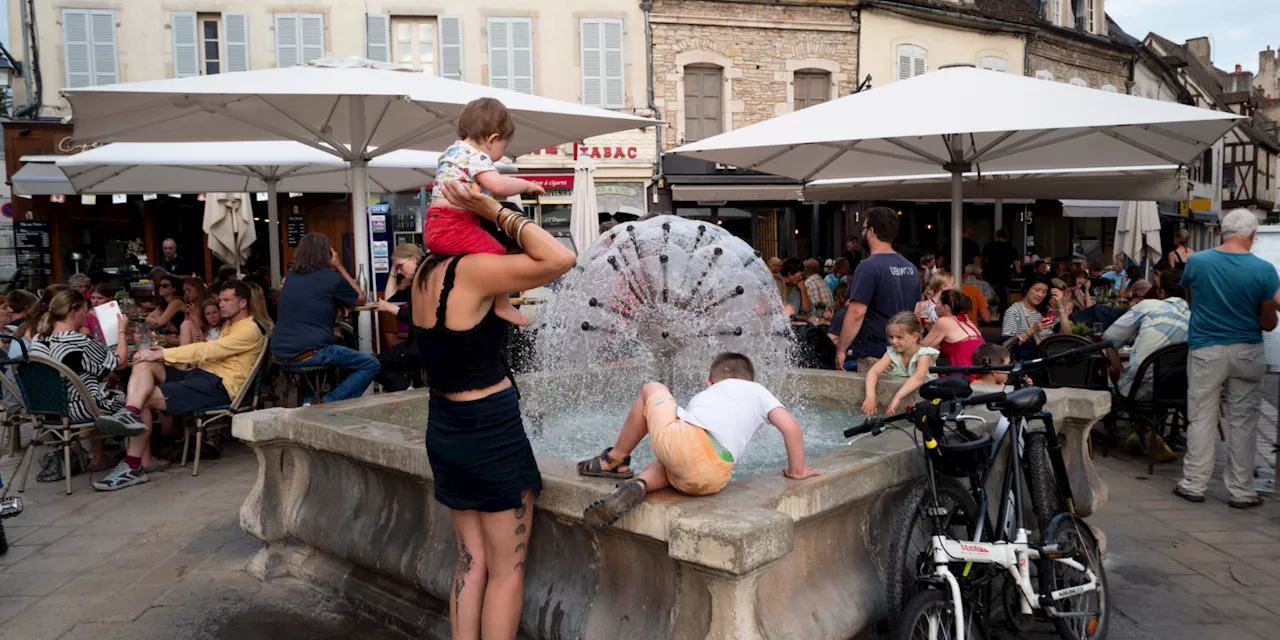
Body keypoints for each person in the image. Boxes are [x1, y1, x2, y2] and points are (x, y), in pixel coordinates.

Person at [411, 181, 574, 639]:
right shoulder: (476, 270)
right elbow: (560, 259)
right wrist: (496, 209)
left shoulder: (428, 269)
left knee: (470, 560)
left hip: (444, 425)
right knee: (507, 569)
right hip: (490, 429)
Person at [576, 352, 820, 527]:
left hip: (687, 445)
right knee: (669, 465)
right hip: (714, 476)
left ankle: (615, 460)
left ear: (709, 382)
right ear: (750, 380)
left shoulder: (707, 393)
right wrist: (797, 471)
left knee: (652, 388)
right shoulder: (758, 391)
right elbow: (792, 429)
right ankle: (640, 485)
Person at [93, 281, 267, 491]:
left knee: (145, 398)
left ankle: (133, 465)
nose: (221, 304)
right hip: (201, 376)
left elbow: (211, 350)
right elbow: (208, 350)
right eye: (220, 299)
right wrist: (159, 355)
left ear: (243, 303)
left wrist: (164, 353)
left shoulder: (249, 328)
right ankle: (130, 413)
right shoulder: (232, 325)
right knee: (144, 362)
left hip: (219, 386)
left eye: (227, 300)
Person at [1174, 209, 1280, 509]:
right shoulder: (1264, 269)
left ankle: (1193, 484)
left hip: (1207, 348)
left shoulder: (1197, 261)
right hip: (1247, 349)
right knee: (1243, 422)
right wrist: (1265, 306)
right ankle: (1242, 491)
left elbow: (1191, 299)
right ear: (1252, 236)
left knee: (1201, 417)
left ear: (1221, 232)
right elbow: (1270, 321)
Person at [424, 97, 545, 328]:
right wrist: (526, 184)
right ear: (492, 139)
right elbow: (499, 186)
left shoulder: (452, 151)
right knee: (497, 252)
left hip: (436, 224)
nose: (503, 152)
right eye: (504, 147)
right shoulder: (475, 156)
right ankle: (502, 305)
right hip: (454, 225)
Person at [29, 288, 131, 471]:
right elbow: (120, 363)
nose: (87, 313)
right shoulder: (80, 342)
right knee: (138, 399)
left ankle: (99, 458)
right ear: (72, 312)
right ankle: (141, 458)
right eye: (85, 309)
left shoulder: (38, 339)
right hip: (80, 408)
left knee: (92, 390)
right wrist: (121, 331)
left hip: (47, 408)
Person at [273, 233, 379, 403]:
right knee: (370, 364)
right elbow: (360, 298)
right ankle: (328, 403)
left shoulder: (290, 277)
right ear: (327, 254)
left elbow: (309, 298)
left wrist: (335, 303)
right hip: (311, 353)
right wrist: (339, 266)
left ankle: (308, 403)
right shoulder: (332, 279)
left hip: (280, 354)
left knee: (318, 357)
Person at [1102, 269, 1189, 462]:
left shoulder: (1149, 306)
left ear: (1160, 291)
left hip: (1138, 390)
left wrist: (1118, 367)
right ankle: (1144, 431)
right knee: (1145, 373)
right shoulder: (1196, 318)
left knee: (1112, 373)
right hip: (1176, 391)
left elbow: (1108, 340)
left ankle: (1138, 431)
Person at [834, 207, 921, 372]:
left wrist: (841, 349)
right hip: (905, 354)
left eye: (864, 228)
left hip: (876, 355)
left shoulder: (868, 267)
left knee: (876, 398)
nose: (862, 233)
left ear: (871, 231)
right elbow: (916, 312)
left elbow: (856, 313)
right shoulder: (910, 267)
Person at [861, 312, 939, 415]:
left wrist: (897, 398)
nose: (893, 341)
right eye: (891, 337)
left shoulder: (924, 354)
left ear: (915, 337)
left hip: (928, 400)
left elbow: (918, 378)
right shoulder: (893, 352)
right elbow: (873, 371)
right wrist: (870, 396)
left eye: (899, 337)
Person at [373, 244, 426, 392]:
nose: (399, 271)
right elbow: (390, 299)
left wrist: (390, 308)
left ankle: (409, 393)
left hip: (422, 344)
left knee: (375, 364)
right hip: (421, 343)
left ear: (414, 260)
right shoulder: (419, 281)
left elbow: (416, 317)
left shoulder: (423, 283)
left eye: (400, 266)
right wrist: (394, 267)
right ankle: (410, 391)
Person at [1001, 276, 1067, 360]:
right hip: (1026, 363)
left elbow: (1066, 333)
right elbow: (1006, 345)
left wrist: (1060, 305)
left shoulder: (1047, 310)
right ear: (1026, 289)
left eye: (1044, 292)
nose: (1040, 295)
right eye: (1037, 290)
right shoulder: (1014, 311)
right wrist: (1032, 329)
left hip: (1047, 361)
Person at [922, 290, 984, 367]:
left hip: (963, 373)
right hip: (979, 371)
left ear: (945, 307)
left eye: (937, 303)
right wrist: (930, 327)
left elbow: (922, 348)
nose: (934, 306)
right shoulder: (965, 319)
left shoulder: (944, 321)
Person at [981, 229, 1019, 310]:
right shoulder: (1011, 249)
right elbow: (1017, 268)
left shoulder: (989, 246)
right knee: (1005, 305)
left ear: (997, 236)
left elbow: (984, 262)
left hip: (991, 280)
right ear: (1007, 237)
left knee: (990, 302)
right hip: (1005, 280)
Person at [802, 258, 834, 324]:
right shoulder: (824, 283)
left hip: (816, 324)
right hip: (828, 323)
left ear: (805, 270)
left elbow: (808, 310)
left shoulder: (807, 285)